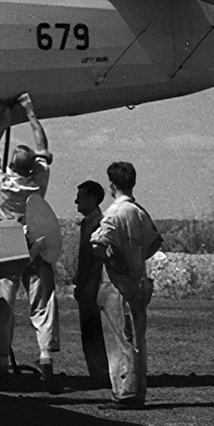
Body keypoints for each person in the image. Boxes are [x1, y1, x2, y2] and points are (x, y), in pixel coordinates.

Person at [0, 92, 61, 391]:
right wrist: (29, 112)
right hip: (37, 246)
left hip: (6, 247)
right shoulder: (39, 181)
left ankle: (2, 364)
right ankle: (45, 357)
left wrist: (3, 124)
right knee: (43, 304)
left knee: (3, 306)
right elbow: (43, 146)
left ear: (11, 167)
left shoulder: (1, 183)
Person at [90, 161, 160, 409]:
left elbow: (98, 244)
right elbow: (154, 242)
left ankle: (124, 392)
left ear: (112, 185)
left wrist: (115, 260)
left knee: (120, 339)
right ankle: (137, 391)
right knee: (138, 339)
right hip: (139, 281)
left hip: (118, 284)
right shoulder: (139, 212)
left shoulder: (114, 212)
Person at [73, 179, 110, 387]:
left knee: (92, 329)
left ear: (93, 198)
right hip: (88, 284)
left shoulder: (97, 223)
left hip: (93, 285)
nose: (76, 200)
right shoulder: (90, 222)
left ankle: (100, 373)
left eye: (81, 196)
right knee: (90, 329)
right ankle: (97, 371)